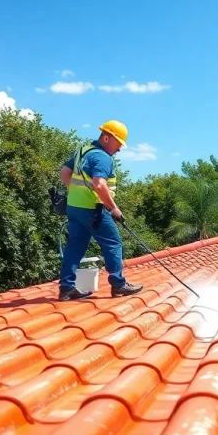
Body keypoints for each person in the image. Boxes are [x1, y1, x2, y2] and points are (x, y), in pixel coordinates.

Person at [57, 120, 144, 301]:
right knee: (113, 243)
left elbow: (64, 173)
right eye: (118, 143)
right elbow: (99, 184)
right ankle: (118, 284)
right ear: (106, 138)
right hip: (92, 209)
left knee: (74, 247)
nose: (119, 149)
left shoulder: (83, 151)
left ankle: (66, 288)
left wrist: (77, 193)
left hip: (73, 208)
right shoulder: (103, 157)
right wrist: (114, 208)